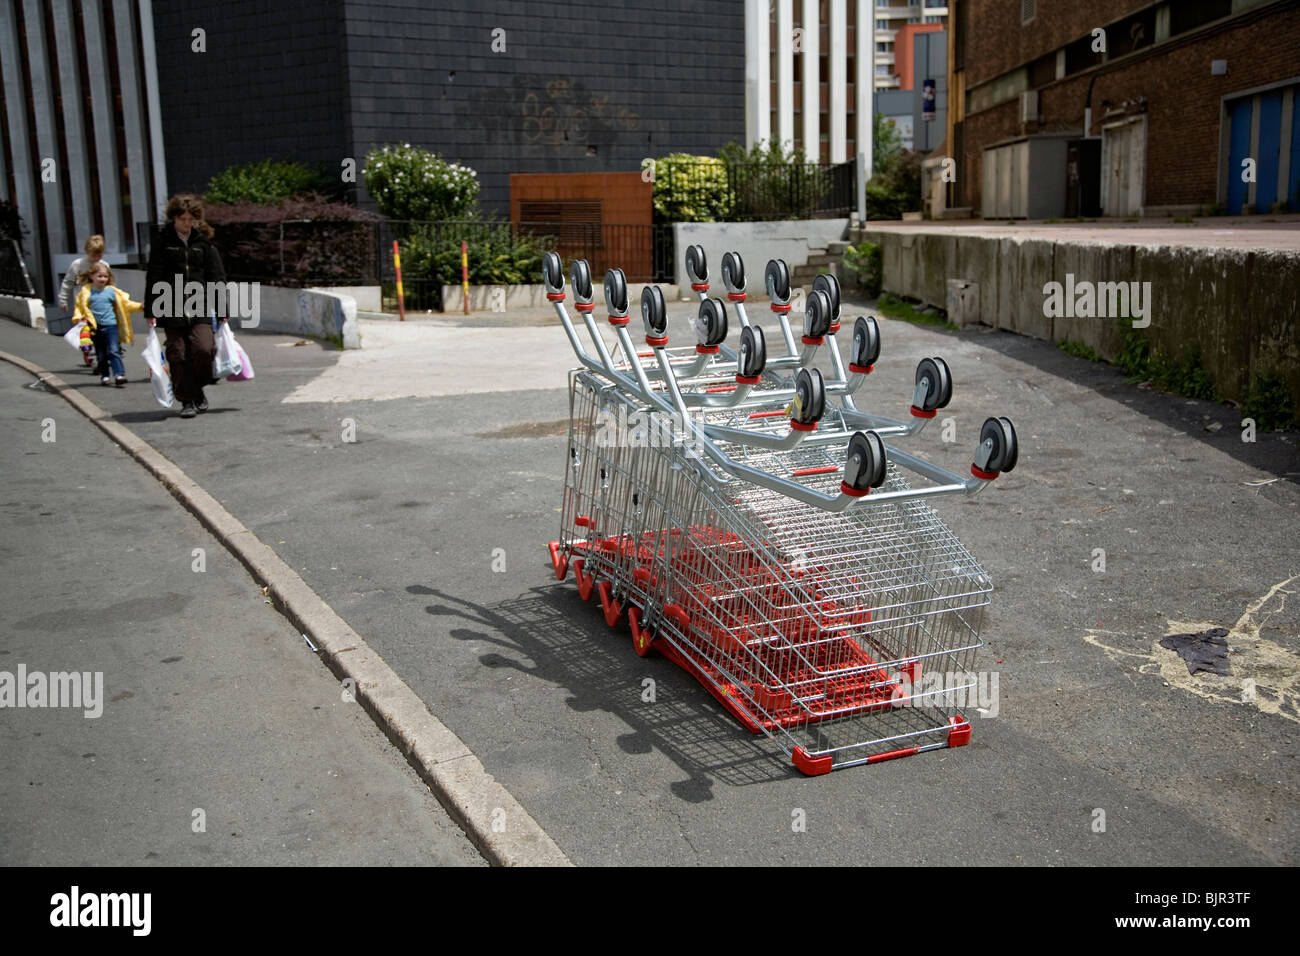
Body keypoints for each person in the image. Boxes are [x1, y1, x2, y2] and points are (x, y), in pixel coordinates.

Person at [145, 194, 227, 419]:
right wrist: (151, 310)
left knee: (204, 349)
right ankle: (187, 400)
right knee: (178, 354)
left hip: (198, 303)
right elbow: (154, 275)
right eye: (183, 219)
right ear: (174, 218)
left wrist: (222, 309)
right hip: (170, 304)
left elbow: (216, 276)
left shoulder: (203, 242)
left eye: (191, 219)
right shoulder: (163, 241)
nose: (187, 223)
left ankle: (197, 387)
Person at [72, 262, 141, 387]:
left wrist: (140, 306)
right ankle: (105, 376)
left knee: (114, 350)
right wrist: (79, 318)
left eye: (105, 276)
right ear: (91, 276)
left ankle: (119, 374)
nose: (103, 279)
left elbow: (126, 304)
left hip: (111, 326)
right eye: (100, 276)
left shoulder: (112, 292)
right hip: (95, 327)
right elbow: (79, 307)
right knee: (101, 353)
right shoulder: (85, 292)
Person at [57, 234, 106, 311]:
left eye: (99, 256)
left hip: (100, 303)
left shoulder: (104, 265)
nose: (96, 258)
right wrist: (63, 300)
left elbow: (110, 284)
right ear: (87, 252)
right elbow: (68, 283)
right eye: (93, 256)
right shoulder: (78, 265)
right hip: (82, 304)